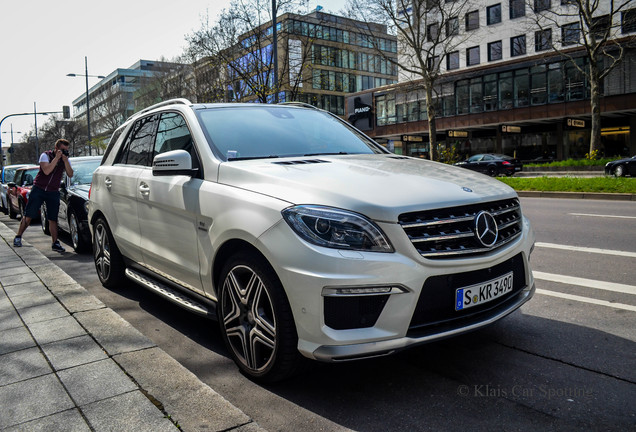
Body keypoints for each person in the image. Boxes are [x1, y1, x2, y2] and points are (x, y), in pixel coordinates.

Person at [13, 139, 74, 252]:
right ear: (56, 149)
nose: (64, 152)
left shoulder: (65, 160)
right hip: (39, 189)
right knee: (29, 215)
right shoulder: (45, 156)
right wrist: (56, 158)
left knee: (53, 218)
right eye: (62, 150)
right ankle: (18, 236)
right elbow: (46, 171)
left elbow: (70, 174)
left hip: (53, 191)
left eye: (66, 150)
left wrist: (65, 161)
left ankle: (55, 243)